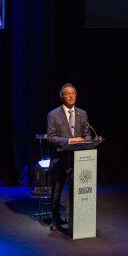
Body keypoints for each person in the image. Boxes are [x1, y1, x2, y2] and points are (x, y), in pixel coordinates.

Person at [46, 83, 92, 230]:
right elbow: (51, 137)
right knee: (57, 192)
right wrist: (70, 140)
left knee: (77, 191)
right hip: (60, 159)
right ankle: (55, 220)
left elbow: (87, 133)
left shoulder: (82, 114)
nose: (71, 96)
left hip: (78, 160)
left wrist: (87, 140)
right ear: (62, 96)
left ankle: (76, 219)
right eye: (67, 93)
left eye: (73, 93)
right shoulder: (53, 115)